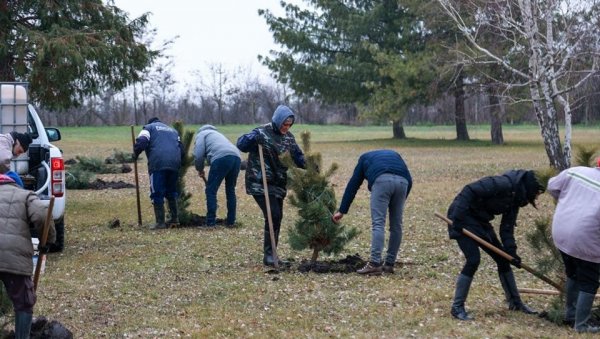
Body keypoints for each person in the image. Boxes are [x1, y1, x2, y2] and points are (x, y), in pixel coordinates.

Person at [446, 169, 545, 321]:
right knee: (473, 260)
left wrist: (511, 251)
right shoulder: (502, 184)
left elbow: (507, 228)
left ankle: (515, 303)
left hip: (480, 221)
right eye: (538, 192)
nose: (537, 196)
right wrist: (458, 221)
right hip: (461, 216)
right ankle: (457, 307)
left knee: (503, 259)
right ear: (531, 187)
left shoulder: (515, 198)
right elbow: (469, 190)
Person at [237, 105, 305, 267]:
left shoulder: (288, 138)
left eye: (289, 125)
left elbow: (297, 157)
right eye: (284, 124)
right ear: (277, 120)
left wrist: (310, 166)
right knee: (273, 214)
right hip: (260, 182)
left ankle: (273, 253)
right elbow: (241, 144)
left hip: (278, 183)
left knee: (277, 216)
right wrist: (252, 139)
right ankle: (269, 256)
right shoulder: (261, 132)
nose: (286, 128)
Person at [332, 150, 412, 276]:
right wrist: (400, 200)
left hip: (382, 182)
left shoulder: (364, 158)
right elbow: (409, 178)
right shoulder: (395, 155)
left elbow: (353, 185)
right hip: (403, 182)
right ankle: (389, 264)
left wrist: (342, 210)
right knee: (396, 225)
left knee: (378, 223)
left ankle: (375, 264)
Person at [0, 173, 55, 338]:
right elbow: (42, 215)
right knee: (24, 301)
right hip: (13, 258)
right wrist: (47, 243)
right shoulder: (24, 194)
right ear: (16, 184)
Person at [547, 162, 600, 333]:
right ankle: (581, 325)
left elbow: (551, 186)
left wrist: (566, 202)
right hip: (586, 238)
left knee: (573, 274)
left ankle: (570, 314)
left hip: (561, 232)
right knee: (589, 282)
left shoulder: (575, 172)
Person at [134, 117, 184, 230]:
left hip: (158, 163)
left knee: (157, 192)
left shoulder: (148, 128)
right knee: (171, 191)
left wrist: (135, 153)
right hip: (174, 164)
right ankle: (175, 219)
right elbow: (182, 149)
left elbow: (142, 141)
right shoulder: (173, 131)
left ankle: (160, 223)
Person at [193, 125, 242, 227]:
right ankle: (231, 222)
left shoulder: (202, 134)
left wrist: (199, 168)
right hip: (237, 157)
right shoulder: (218, 134)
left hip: (221, 158)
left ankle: (210, 223)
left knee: (211, 190)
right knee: (230, 190)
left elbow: (198, 155)